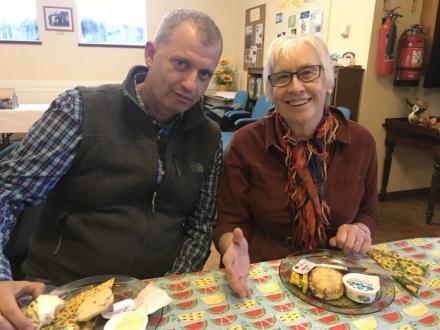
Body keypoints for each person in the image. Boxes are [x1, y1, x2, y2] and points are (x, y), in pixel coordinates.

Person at [0, 9, 223, 329]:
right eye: (181, 63)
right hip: (64, 293)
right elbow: (6, 193)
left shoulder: (209, 136)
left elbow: (201, 227)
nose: (191, 84)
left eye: (204, 74)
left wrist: (165, 286)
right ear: (150, 54)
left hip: (150, 297)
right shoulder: (80, 111)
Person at [213, 34, 378, 298]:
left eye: (308, 72)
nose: (296, 86)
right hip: (265, 273)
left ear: (327, 81)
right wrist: (230, 248)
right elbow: (228, 221)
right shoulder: (245, 144)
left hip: (338, 273)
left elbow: (368, 212)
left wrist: (360, 229)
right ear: (271, 91)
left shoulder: (361, 142)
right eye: (282, 77)